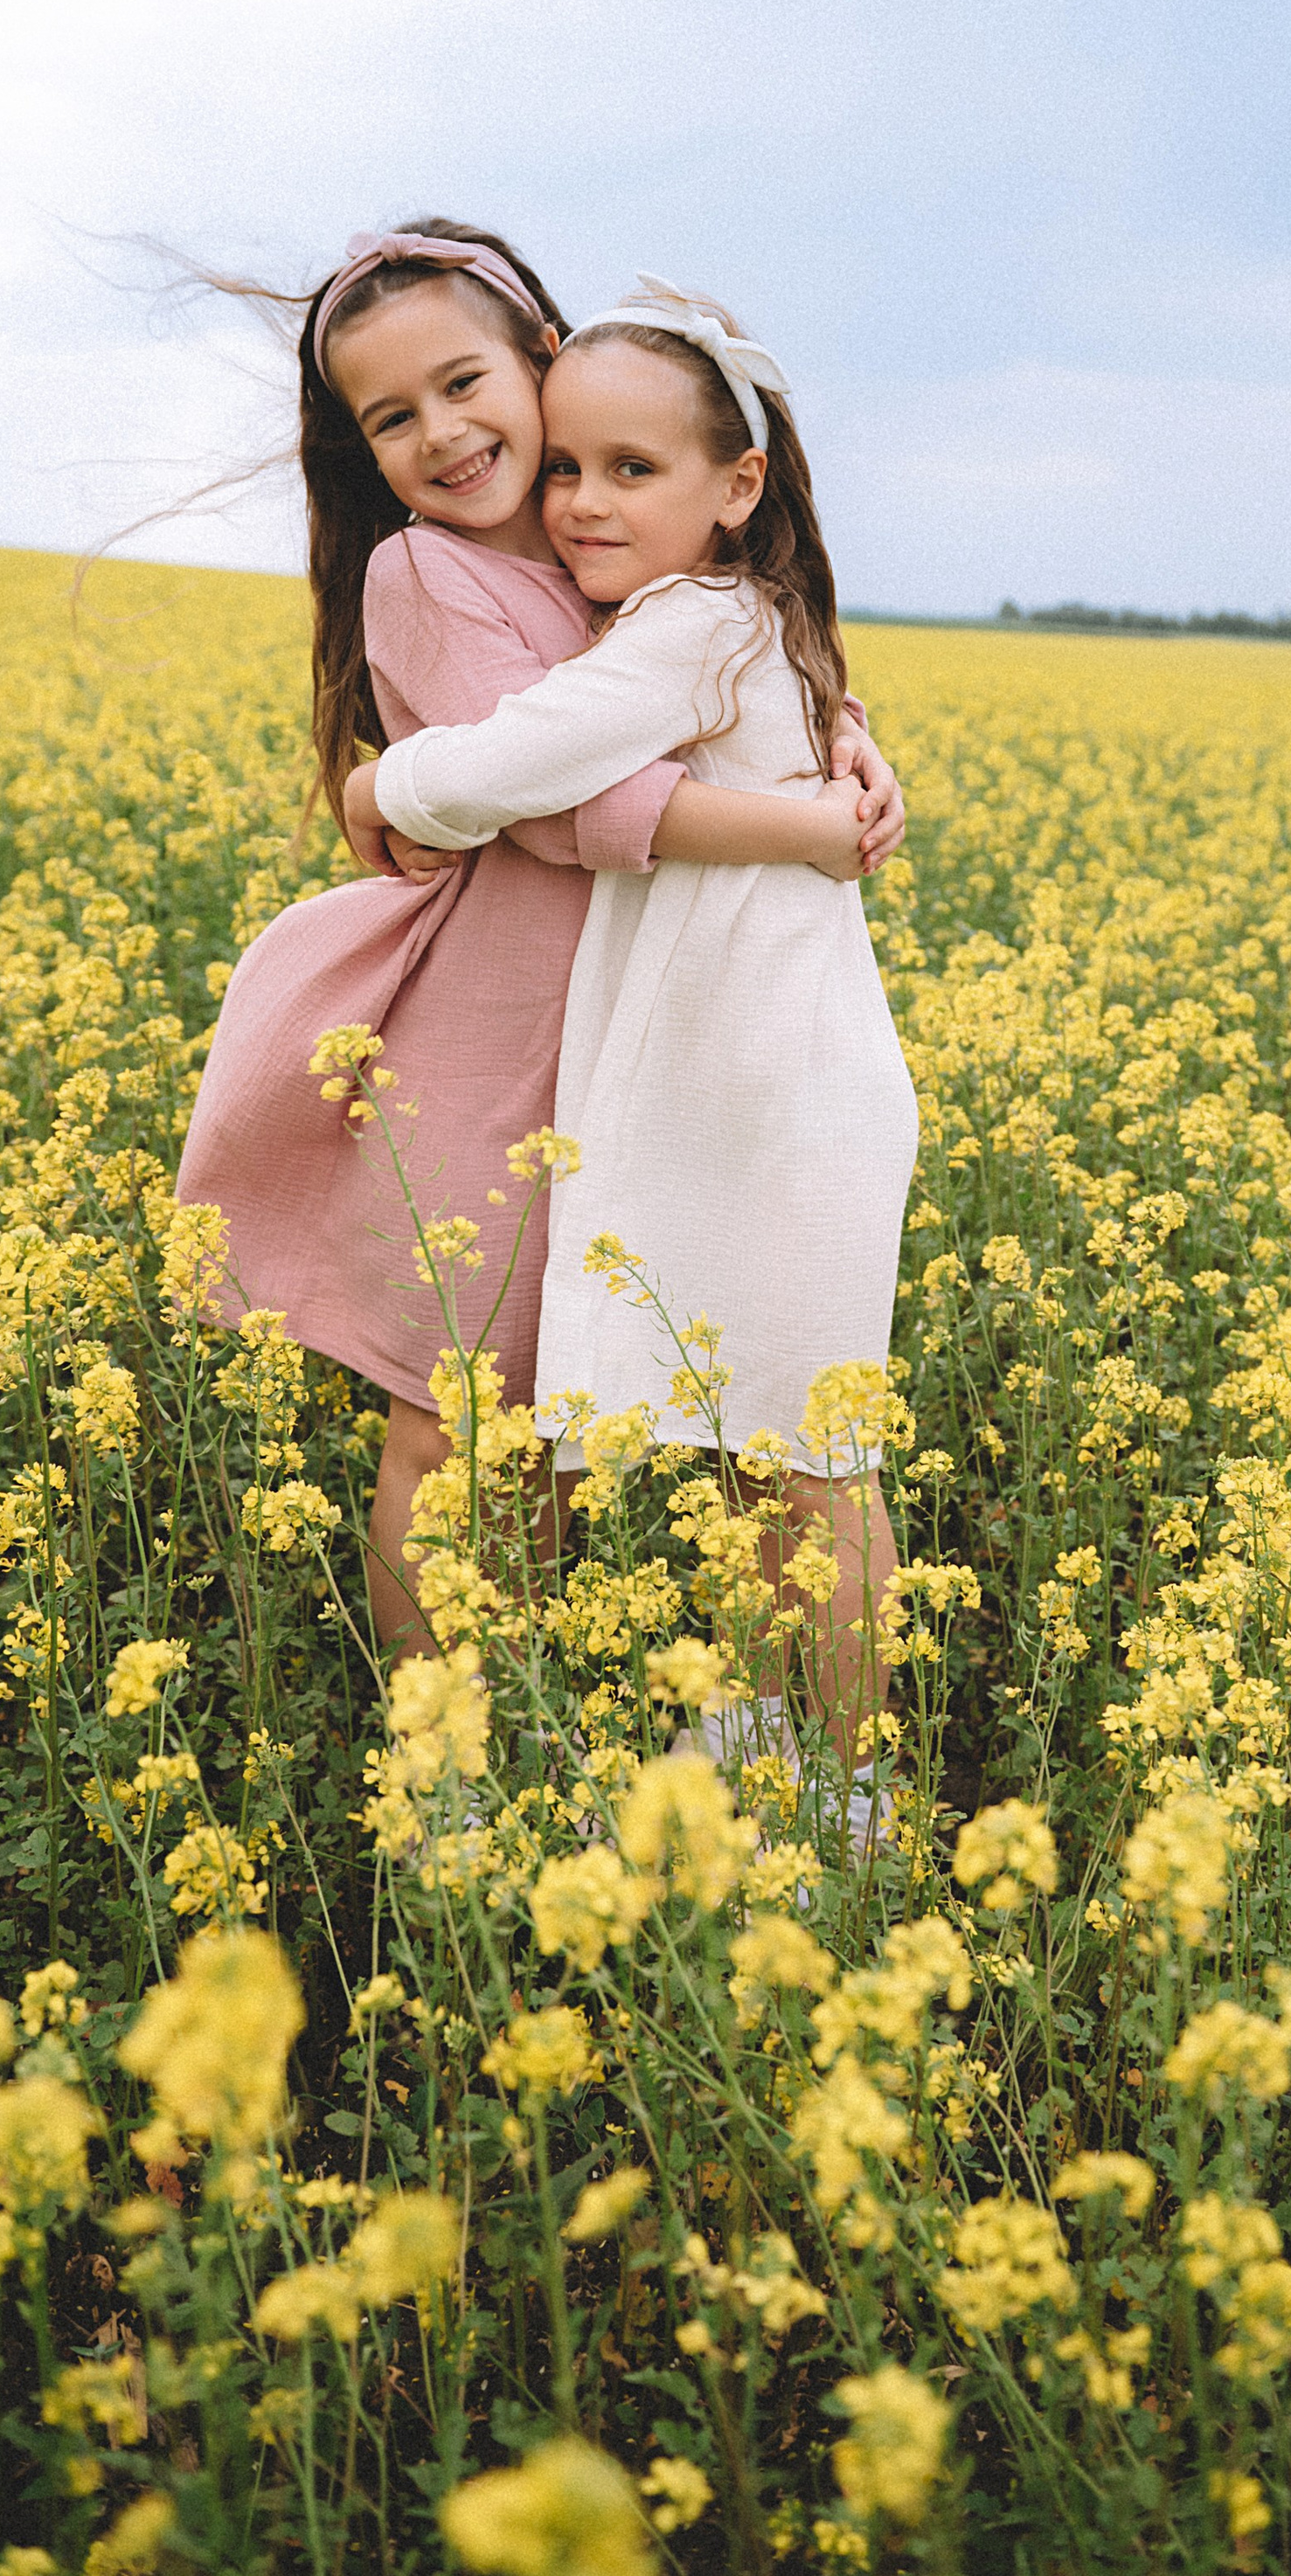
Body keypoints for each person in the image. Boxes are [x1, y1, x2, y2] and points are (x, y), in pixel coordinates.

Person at [175, 224, 905, 1659]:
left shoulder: (627, 551)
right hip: (499, 1040)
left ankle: (543, 1738)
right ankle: (445, 1770)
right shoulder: (431, 576)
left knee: (661, 1418)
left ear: (544, 363)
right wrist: (811, 828)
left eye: (465, 384)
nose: (443, 434)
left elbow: (754, 667)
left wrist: (855, 752)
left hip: (653, 1036)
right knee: (460, 1422)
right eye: (393, 417)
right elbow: (580, 804)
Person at [358, 279, 920, 1785]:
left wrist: (383, 790)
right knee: (770, 1452)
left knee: (798, 1462)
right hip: (767, 1082)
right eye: (572, 470)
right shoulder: (758, 617)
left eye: (628, 470)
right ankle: (766, 1749)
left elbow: (532, 769)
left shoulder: (680, 629)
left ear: (736, 488)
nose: (583, 500)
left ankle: (846, 1796)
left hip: (753, 1093)